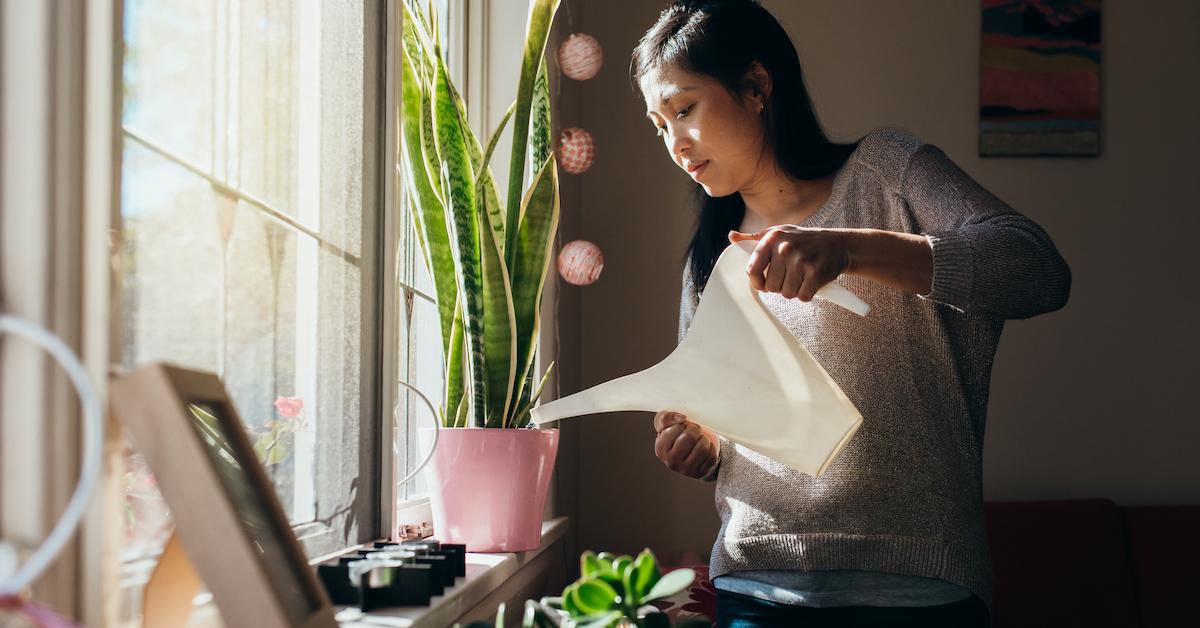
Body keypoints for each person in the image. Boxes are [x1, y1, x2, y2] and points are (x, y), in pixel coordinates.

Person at [633, 1, 1071, 626]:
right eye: (658, 124)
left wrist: (848, 247)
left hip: (918, 588)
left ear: (756, 85)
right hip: (753, 587)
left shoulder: (888, 173)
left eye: (684, 109)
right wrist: (699, 442)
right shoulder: (710, 256)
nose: (674, 143)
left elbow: (1038, 271)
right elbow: (715, 422)